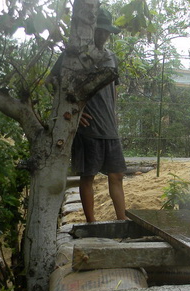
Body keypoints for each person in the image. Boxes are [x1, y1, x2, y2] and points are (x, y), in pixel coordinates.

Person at [50, 8, 127, 222]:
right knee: (88, 176)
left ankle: (123, 221)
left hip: (110, 127)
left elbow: (114, 90)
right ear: (91, 29)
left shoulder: (111, 57)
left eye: (107, 32)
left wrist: (114, 113)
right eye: (99, 30)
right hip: (88, 127)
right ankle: (92, 223)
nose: (103, 35)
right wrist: (71, 111)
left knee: (117, 175)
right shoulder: (74, 54)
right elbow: (53, 82)